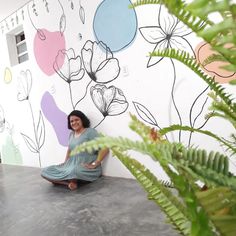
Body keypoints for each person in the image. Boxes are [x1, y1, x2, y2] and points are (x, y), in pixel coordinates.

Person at [41, 110, 109, 190]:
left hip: (84, 166)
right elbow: (69, 150)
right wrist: (65, 163)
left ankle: (64, 180)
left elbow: (105, 148)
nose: (74, 123)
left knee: (74, 171)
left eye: (77, 120)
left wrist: (95, 164)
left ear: (82, 120)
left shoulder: (90, 132)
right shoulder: (71, 134)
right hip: (71, 165)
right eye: (71, 121)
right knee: (45, 171)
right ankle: (68, 183)